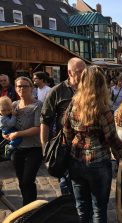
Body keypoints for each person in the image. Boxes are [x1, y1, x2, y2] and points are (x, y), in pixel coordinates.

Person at [63, 65, 122, 223]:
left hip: (76, 161)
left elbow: (67, 133)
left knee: (81, 206)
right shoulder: (102, 109)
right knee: (99, 209)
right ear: (102, 84)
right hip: (98, 164)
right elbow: (112, 140)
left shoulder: (73, 105)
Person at [40, 57, 86, 194]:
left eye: (85, 71)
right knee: (67, 188)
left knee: (84, 188)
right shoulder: (57, 91)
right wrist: (45, 147)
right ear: (70, 72)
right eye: (80, 71)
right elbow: (45, 120)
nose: (84, 75)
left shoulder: (90, 89)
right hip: (65, 147)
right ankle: (70, 212)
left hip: (87, 148)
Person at [3, 77, 43, 206]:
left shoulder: (37, 105)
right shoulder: (14, 105)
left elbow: (38, 128)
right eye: (19, 86)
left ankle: (31, 207)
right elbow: (5, 122)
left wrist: (18, 134)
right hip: (17, 149)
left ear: (31, 88)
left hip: (34, 148)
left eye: (25, 86)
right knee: (21, 181)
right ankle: (27, 207)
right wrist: (5, 134)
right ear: (15, 88)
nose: (22, 89)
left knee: (28, 180)